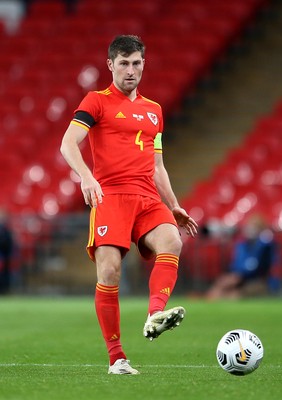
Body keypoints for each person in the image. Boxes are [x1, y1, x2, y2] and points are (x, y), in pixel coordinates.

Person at [60, 35, 198, 375]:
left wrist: (175, 204)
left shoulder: (155, 111)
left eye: (136, 63)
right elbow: (68, 144)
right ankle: (117, 358)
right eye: (123, 63)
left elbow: (157, 166)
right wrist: (86, 177)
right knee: (109, 270)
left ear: (143, 64)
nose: (131, 70)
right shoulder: (96, 101)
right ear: (110, 65)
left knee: (172, 241)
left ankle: (155, 314)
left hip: (148, 197)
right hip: (111, 195)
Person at [204, 214, 281, 300]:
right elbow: (236, 264)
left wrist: (237, 277)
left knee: (234, 295)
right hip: (240, 279)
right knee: (219, 289)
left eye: (255, 226)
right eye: (250, 225)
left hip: (257, 281)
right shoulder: (242, 244)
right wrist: (231, 277)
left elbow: (255, 266)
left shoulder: (265, 245)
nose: (251, 228)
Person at [0, 208, 15, 294]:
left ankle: (4, 290)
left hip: (5, 256)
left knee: (4, 274)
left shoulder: (6, 230)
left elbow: (8, 243)